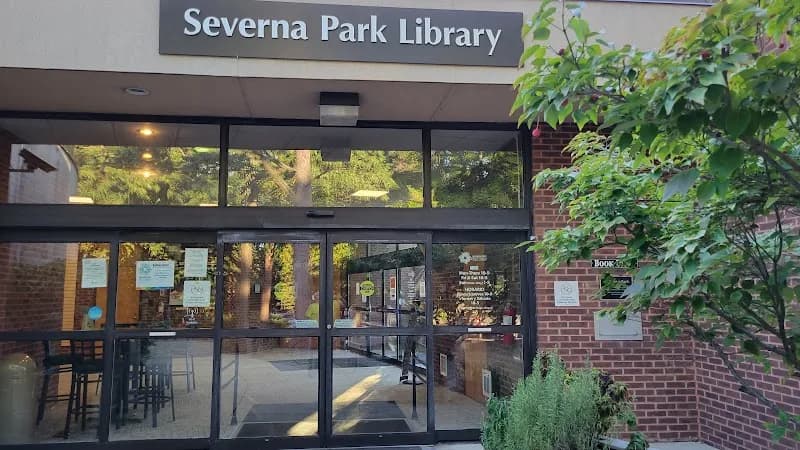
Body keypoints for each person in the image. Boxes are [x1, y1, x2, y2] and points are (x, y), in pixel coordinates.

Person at [400, 299, 424, 385]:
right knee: (408, 354)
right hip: (411, 336)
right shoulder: (413, 314)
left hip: (412, 336)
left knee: (408, 354)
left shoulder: (414, 313)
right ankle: (405, 376)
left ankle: (405, 375)